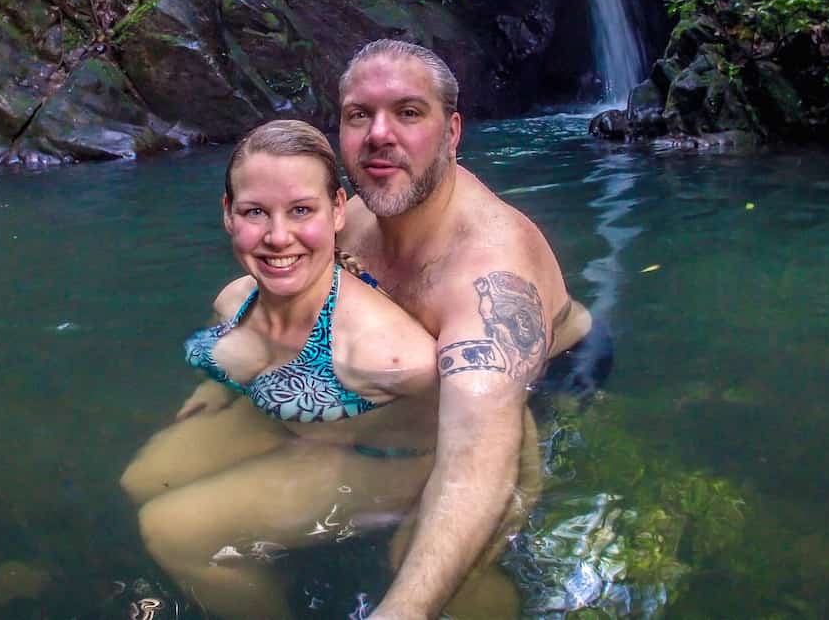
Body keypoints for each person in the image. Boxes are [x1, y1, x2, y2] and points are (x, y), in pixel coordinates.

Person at [120, 120, 537, 618]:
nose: (278, 237)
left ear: (338, 210)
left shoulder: (389, 357)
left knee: (170, 530)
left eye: (301, 210)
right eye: (256, 211)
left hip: (383, 459)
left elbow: (490, 430)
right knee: (139, 480)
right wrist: (219, 388)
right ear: (228, 214)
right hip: (293, 424)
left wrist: (497, 505)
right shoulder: (234, 301)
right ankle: (283, 568)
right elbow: (234, 348)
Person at [335, 39, 604, 620]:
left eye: (408, 113)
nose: (380, 133)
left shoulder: (489, 271)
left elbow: (474, 466)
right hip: (427, 373)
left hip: (550, 374)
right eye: (360, 114)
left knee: (419, 562)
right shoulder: (349, 222)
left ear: (452, 133)